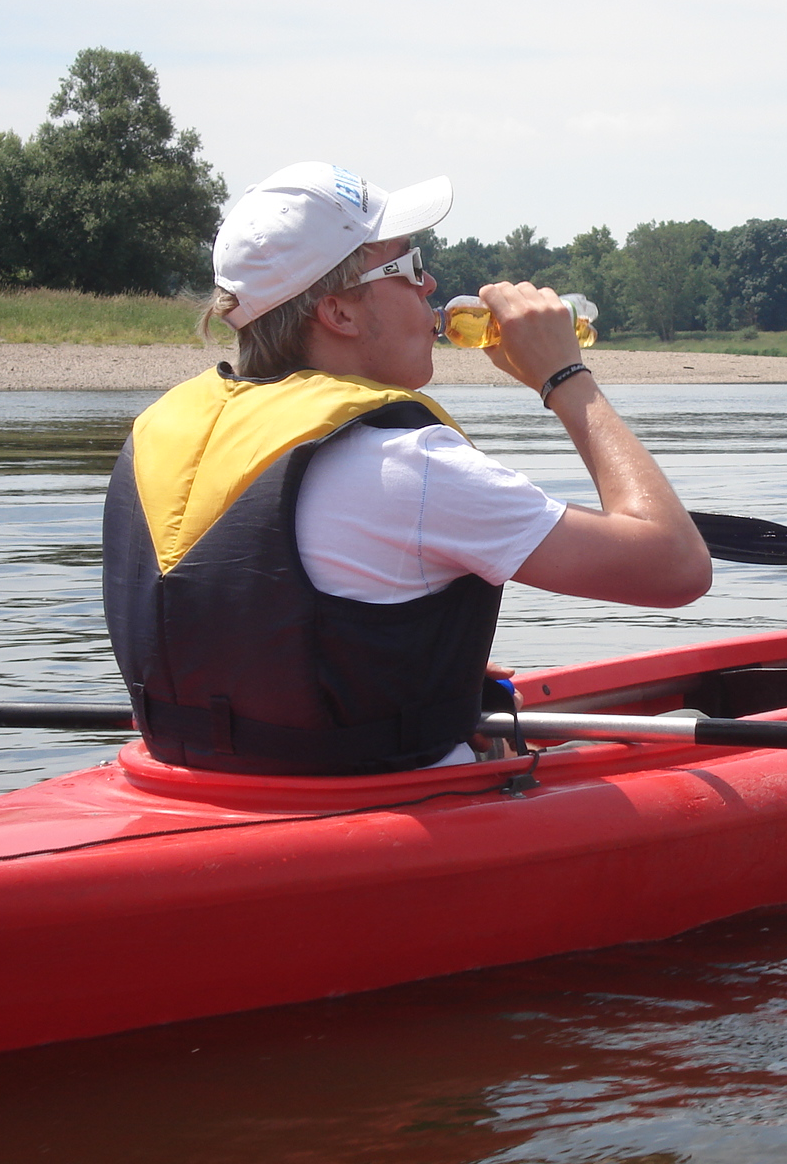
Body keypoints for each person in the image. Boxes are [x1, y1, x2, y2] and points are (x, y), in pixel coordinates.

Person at [102, 161, 711, 775]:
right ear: (339, 313)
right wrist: (564, 376)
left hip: (192, 783)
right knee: (667, 749)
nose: (431, 285)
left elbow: (247, 628)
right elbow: (676, 565)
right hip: (382, 802)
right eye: (410, 267)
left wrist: (406, 669)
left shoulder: (155, 435)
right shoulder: (408, 466)